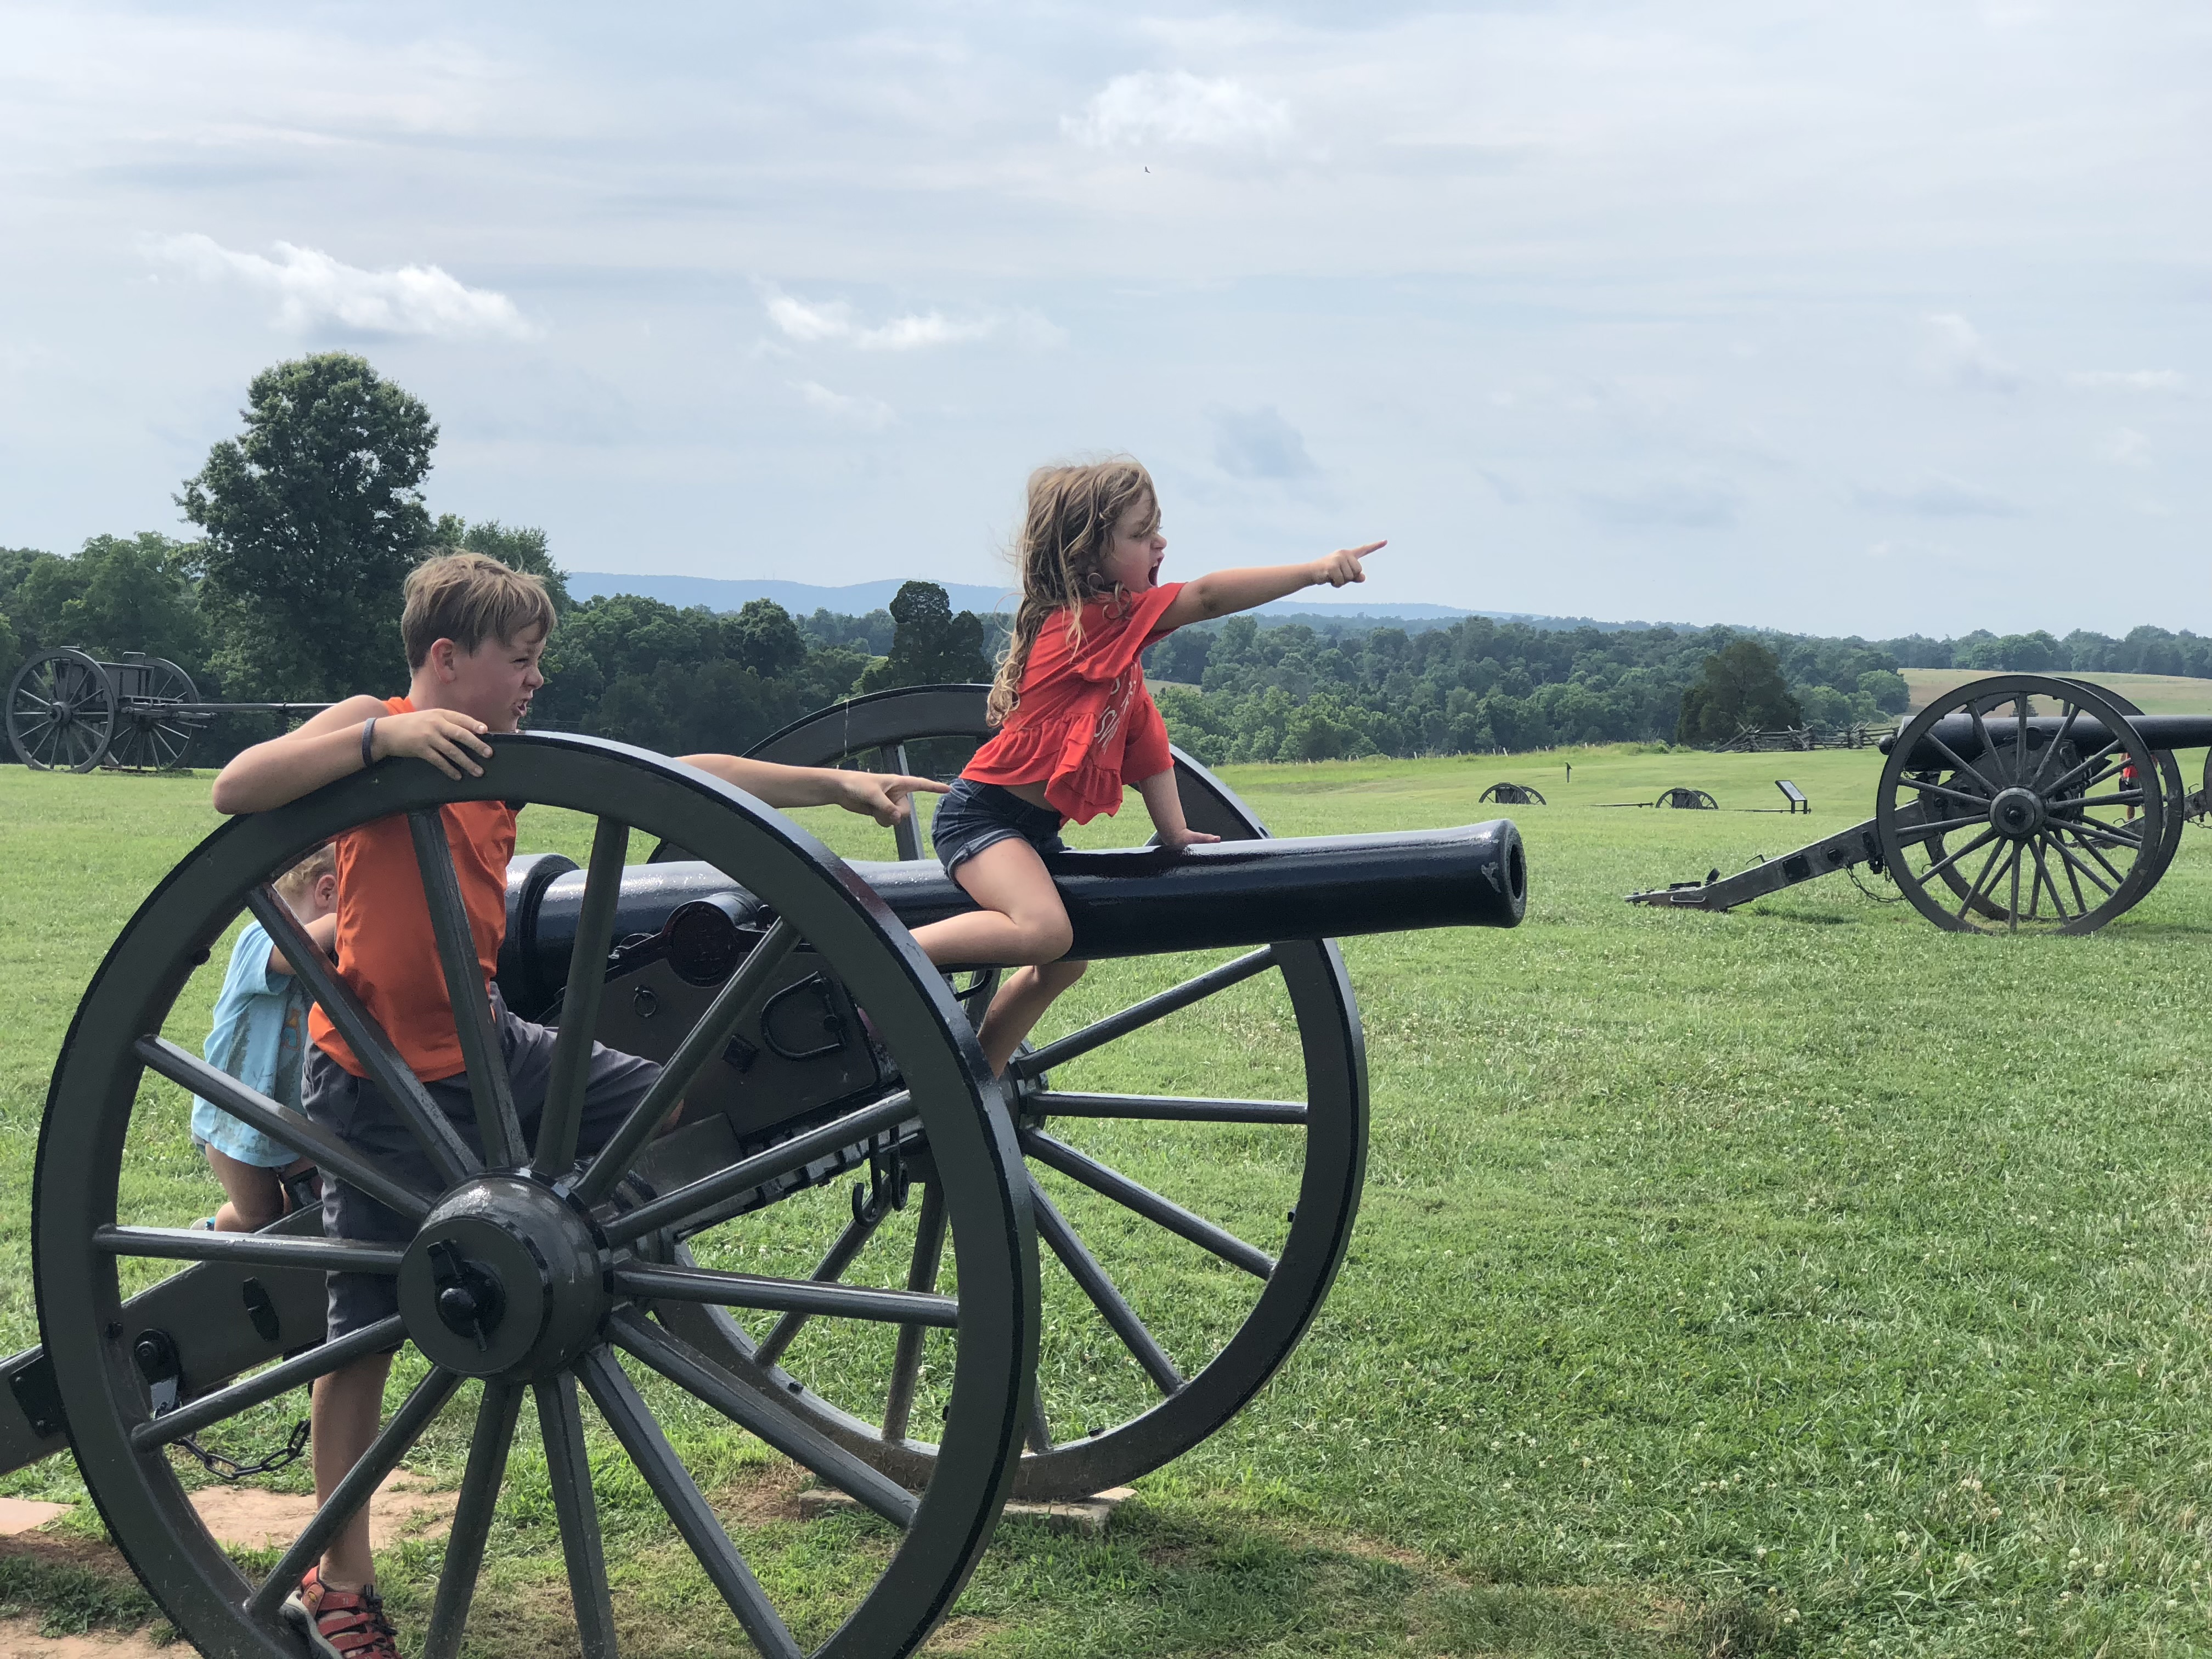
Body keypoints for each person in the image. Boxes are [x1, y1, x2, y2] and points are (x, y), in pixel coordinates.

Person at [210, 551, 944, 1659]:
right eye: (522, 660)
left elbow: (670, 772)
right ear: (448, 660)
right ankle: (341, 1580)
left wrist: (831, 788)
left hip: (496, 1048)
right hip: (376, 1089)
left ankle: (594, 1252)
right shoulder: (378, 724)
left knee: (683, 1106)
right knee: (356, 1343)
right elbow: (237, 789)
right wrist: (383, 742)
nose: (535, 681)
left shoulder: (505, 756)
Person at [910, 458, 1381, 1075]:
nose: (1159, 543)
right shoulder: (1084, 627)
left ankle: (975, 1080)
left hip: (1030, 830)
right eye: (1139, 533)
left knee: (1066, 960)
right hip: (981, 818)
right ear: (1086, 555)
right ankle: (883, 960)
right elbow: (1207, 597)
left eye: (1156, 529)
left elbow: (1149, 751)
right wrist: (1315, 570)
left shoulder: (1119, 659)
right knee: (1046, 934)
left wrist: (1178, 832)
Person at [191, 844, 336, 1232]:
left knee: (317, 1203)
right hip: (237, 1118)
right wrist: (356, 918)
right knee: (261, 1216)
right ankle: (212, 1236)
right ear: (326, 892)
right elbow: (292, 956)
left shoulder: (335, 955)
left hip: (298, 1119)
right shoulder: (258, 936)